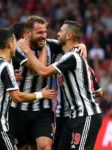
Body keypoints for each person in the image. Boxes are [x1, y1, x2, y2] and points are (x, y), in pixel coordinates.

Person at [18, 20, 103, 150]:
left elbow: (43, 72)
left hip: (86, 114)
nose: (57, 33)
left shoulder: (74, 56)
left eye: (61, 31)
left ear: (68, 36)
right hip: (72, 116)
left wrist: (27, 51)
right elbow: (98, 92)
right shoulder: (67, 55)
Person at [0, 28, 56, 150]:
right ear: (10, 44)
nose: (17, 45)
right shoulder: (5, 66)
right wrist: (40, 94)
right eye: (15, 42)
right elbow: (17, 97)